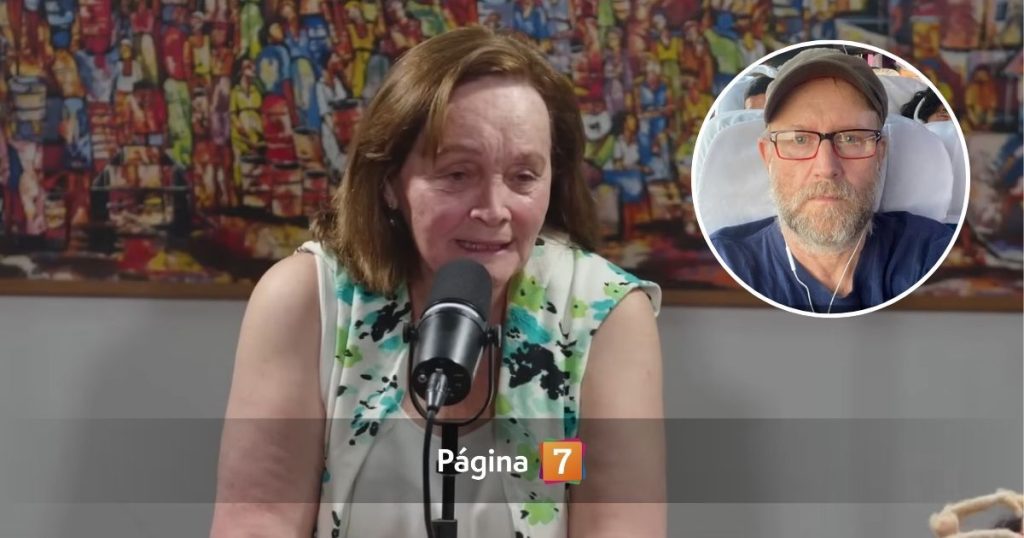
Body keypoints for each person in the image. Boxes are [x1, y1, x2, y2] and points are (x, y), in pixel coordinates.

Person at [210, 26, 666, 538]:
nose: (494, 210)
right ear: (389, 182)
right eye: (457, 174)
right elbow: (257, 523)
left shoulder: (604, 313)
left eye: (523, 176)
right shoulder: (304, 299)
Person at [709, 48, 954, 314]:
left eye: (851, 138)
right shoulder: (719, 266)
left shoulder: (934, 254)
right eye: (799, 139)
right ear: (768, 155)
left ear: (880, 153)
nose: (826, 168)